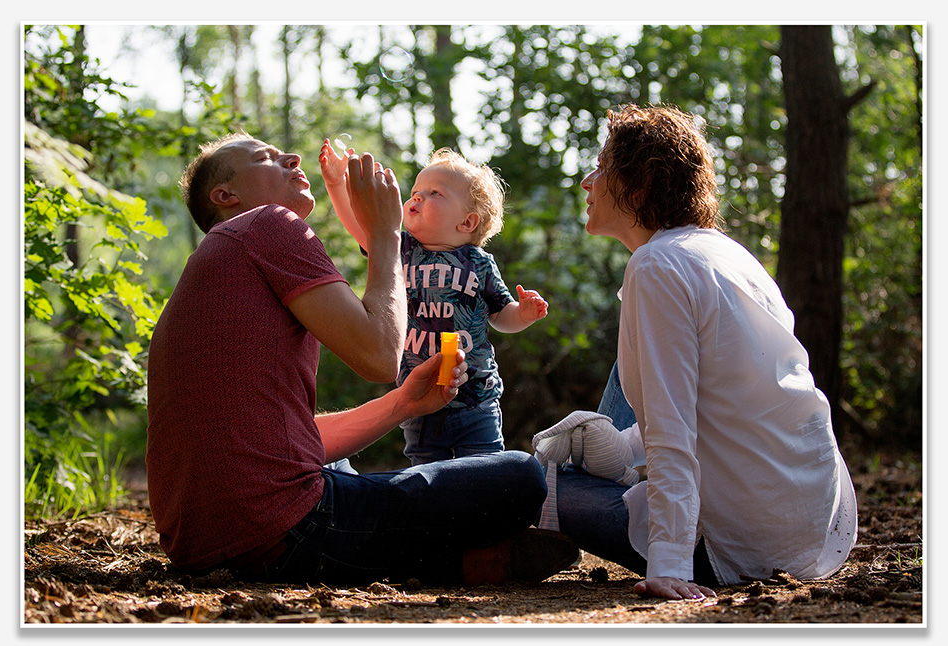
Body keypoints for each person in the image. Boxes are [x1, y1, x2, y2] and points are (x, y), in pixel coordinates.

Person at [145, 132, 577, 585]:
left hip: (205, 542)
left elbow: (289, 442)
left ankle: (465, 563)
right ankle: (469, 559)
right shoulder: (267, 224)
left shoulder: (224, 259)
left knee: (337, 466)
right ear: (226, 196)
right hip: (283, 529)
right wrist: (385, 232)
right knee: (522, 476)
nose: (291, 156)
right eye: (266, 158)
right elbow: (379, 357)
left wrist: (404, 404)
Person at [549, 104, 858, 600]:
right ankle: (596, 470)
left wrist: (670, 563)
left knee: (529, 482)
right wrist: (618, 448)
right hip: (811, 524)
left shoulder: (657, 266)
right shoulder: (726, 253)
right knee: (616, 391)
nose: (588, 181)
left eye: (602, 168)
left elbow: (675, 431)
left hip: (739, 544)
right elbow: (719, 408)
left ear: (642, 182)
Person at [319, 141, 548, 465]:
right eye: (416, 190)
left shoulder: (478, 263)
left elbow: (501, 316)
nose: (417, 197)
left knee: (484, 473)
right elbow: (360, 227)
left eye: (434, 193)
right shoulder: (400, 248)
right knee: (426, 474)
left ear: (467, 222)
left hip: (476, 397)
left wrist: (523, 314)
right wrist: (335, 183)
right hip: (419, 394)